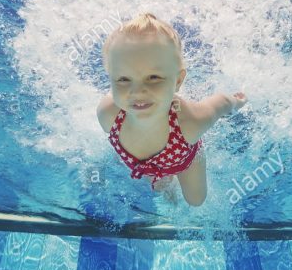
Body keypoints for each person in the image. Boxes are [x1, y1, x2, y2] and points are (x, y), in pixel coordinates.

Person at [96, 12, 247, 206]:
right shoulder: (108, 114)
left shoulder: (190, 123)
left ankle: (178, 170)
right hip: (150, 165)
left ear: (178, 81)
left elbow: (219, 104)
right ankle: (162, 177)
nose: (138, 91)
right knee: (163, 189)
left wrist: (237, 101)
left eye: (153, 77)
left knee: (196, 201)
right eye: (123, 79)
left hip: (184, 156)